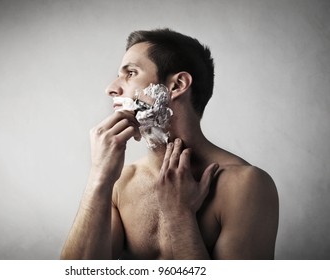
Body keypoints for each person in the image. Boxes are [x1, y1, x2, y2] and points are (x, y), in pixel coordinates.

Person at [60, 28, 279, 260]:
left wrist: (180, 217)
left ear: (177, 85)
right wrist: (99, 178)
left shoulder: (245, 185)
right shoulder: (119, 183)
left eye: (131, 73)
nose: (111, 88)